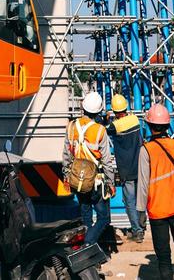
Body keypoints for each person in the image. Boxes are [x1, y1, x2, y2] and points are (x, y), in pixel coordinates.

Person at [136, 104, 174, 280]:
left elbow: (142, 184)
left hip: (158, 210)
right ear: (167, 125)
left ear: (149, 125)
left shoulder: (146, 150)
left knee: (164, 257)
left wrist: (140, 211)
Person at [62, 90, 115, 245]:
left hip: (77, 178)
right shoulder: (100, 130)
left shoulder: (71, 126)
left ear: (83, 108)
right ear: (98, 111)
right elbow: (106, 160)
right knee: (103, 217)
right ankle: (89, 243)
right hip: (95, 180)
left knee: (85, 214)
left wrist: (66, 175)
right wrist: (111, 183)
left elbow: (66, 154)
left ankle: (87, 249)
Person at [107, 94, 144, 242]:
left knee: (129, 201)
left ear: (115, 111)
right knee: (140, 199)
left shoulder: (115, 126)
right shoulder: (135, 119)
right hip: (139, 165)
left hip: (126, 169)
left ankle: (137, 231)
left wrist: (107, 120)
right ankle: (141, 224)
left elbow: (105, 131)